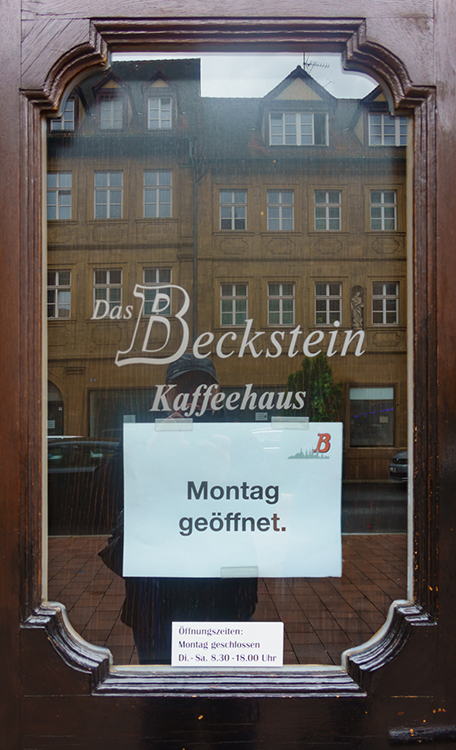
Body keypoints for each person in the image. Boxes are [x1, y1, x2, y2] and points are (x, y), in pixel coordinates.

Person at [96, 354, 257, 664]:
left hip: (222, 587)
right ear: (167, 394)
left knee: (225, 680)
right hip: (158, 589)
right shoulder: (148, 430)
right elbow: (102, 490)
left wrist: (227, 469)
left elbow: (266, 492)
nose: (193, 395)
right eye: (184, 388)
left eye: (202, 387)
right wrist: (150, 449)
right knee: (158, 679)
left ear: (216, 392)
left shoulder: (235, 431)